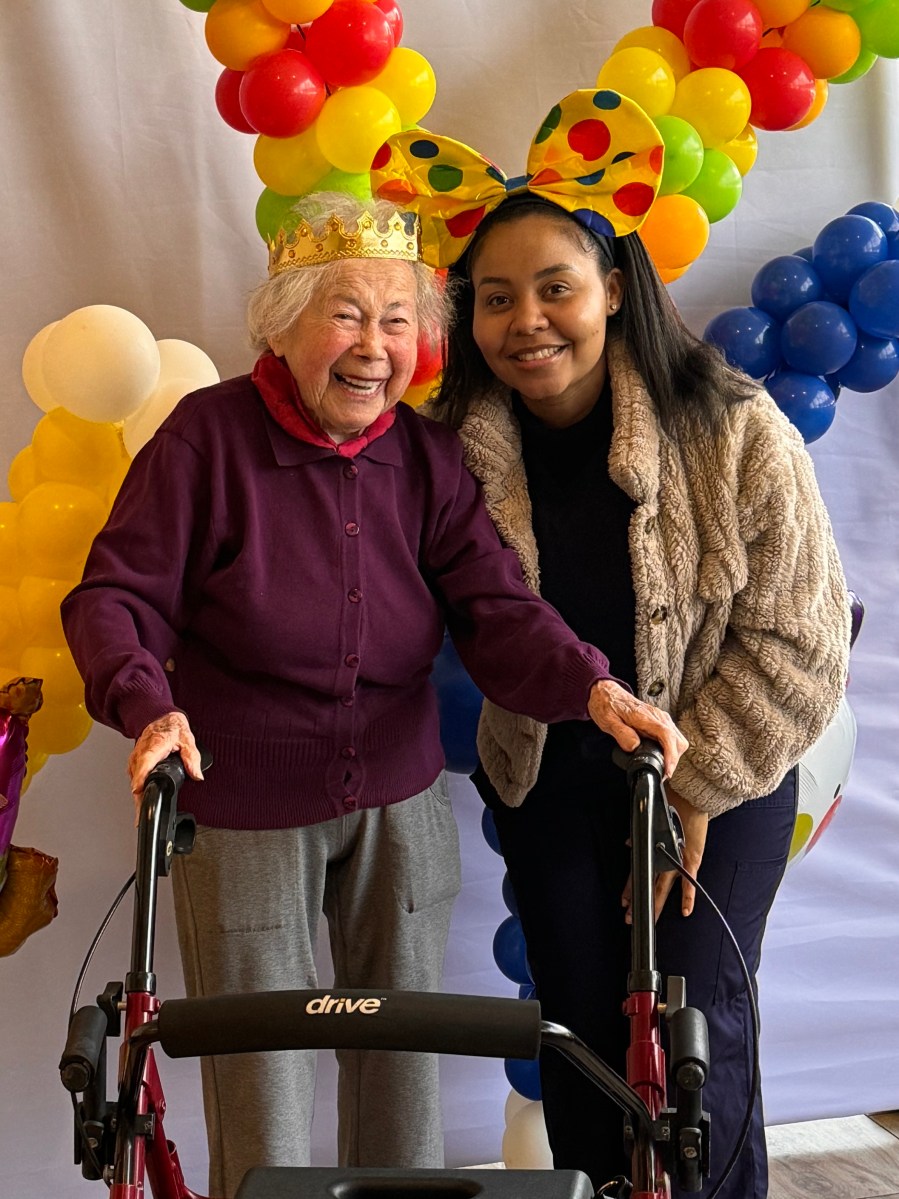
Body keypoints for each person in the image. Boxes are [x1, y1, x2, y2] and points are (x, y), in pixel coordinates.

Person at [61, 189, 686, 1198]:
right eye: (345, 313)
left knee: (403, 1059)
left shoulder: (425, 456)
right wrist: (146, 702)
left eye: (397, 320)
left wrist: (591, 684)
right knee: (256, 1064)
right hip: (242, 798)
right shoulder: (204, 439)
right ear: (283, 322)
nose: (373, 345)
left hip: (397, 796)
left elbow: (494, 603)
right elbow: (113, 596)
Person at [374, 91, 851, 1196]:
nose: (525, 320)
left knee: (692, 1033)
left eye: (554, 289)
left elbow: (800, 638)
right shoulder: (446, 457)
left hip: (712, 780)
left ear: (612, 292)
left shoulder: (732, 426)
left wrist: (699, 781)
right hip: (545, 777)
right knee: (580, 1035)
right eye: (495, 299)